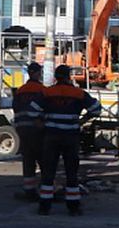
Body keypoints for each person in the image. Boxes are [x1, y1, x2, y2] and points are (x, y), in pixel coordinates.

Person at [29, 65, 102, 216]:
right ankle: (73, 208)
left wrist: (42, 125)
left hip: (51, 137)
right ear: (69, 77)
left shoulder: (47, 92)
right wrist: (82, 121)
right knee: (71, 173)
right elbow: (96, 109)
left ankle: (44, 207)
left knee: (48, 173)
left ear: (55, 77)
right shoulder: (78, 93)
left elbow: (32, 110)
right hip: (71, 137)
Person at [12, 62, 45, 202]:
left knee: (28, 161)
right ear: (37, 73)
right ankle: (46, 189)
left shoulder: (20, 90)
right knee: (44, 161)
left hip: (22, 130)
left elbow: (15, 108)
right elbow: (45, 109)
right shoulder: (42, 90)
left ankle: (29, 190)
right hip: (37, 130)